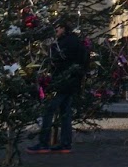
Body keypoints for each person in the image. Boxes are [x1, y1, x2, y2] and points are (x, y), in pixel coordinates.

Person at [30, 22, 88, 154]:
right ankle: (65, 144)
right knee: (65, 114)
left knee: (48, 110)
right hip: (73, 82)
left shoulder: (63, 43)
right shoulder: (77, 42)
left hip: (61, 82)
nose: (55, 30)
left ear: (64, 28)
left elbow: (56, 59)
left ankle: (44, 143)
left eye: (58, 27)